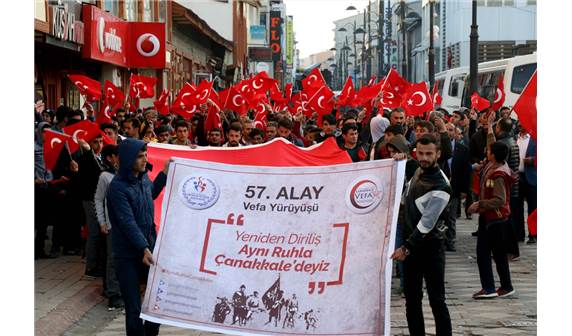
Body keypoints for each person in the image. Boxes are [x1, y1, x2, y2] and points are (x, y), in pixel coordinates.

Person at [391, 133, 452, 336]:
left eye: (429, 154)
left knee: (437, 300)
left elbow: (427, 223)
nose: (424, 158)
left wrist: (406, 248)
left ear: (438, 154)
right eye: (421, 153)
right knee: (412, 300)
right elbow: (404, 198)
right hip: (412, 248)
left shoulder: (441, 185)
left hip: (431, 247)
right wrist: (400, 160)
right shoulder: (418, 169)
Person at [106, 139, 169, 336]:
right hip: (128, 255)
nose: (145, 160)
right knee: (133, 307)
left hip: (148, 248)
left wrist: (165, 173)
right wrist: (143, 247)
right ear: (127, 159)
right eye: (140, 156)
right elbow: (127, 223)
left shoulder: (143, 179)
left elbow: (151, 194)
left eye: (145, 155)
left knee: (156, 302)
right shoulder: (117, 188)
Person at [468, 140, 517, 299]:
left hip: (494, 218)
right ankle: (506, 286)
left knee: (483, 253)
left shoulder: (499, 174)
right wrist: (489, 126)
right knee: (498, 254)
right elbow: (492, 141)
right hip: (491, 217)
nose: (486, 151)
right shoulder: (493, 166)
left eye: (489, 150)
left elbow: (500, 199)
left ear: (493, 155)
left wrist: (479, 204)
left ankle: (488, 288)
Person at [93, 144, 123, 310]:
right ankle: (113, 293)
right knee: (113, 260)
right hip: (112, 226)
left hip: (128, 225)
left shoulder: (128, 173)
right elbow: (98, 199)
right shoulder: (105, 176)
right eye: (117, 155)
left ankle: (122, 290)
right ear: (111, 158)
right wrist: (102, 222)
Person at [75, 135, 105, 277]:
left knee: (98, 232)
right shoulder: (86, 158)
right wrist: (87, 152)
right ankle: (91, 267)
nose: (99, 145)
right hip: (90, 199)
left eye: (101, 141)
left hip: (98, 199)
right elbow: (99, 173)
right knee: (94, 232)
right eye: (95, 142)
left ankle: (96, 263)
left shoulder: (101, 157)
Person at [444, 123, 471, 252]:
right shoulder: (438, 147)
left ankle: (451, 241)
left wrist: (465, 190)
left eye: (451, 130)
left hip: (455, 186)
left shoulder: (462, 149)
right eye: (447, 130)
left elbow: (466, 170)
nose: (449, 132)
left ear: (455, 133)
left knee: (451, 216)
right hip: (440, 186)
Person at [515, 126, 537, 244]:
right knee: (517, 207)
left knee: (533, 207)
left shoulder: (535, 138)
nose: (521, 124)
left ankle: (533, 234)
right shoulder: (514, 138)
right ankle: (519, 234)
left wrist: (533, 160)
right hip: (517, 176)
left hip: (532, 177)